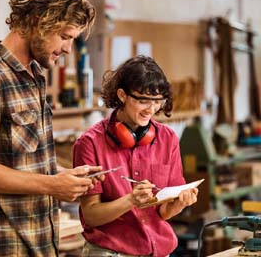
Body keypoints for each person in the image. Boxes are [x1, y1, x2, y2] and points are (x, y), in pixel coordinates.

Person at [0, 0, 104, 256]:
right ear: (36, 23)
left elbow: (21, 162)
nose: (67, 49)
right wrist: (51, 185)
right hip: (4, 243)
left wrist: (64, 176)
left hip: (40, 238)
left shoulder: (36, 76)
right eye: (64, 37)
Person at [73, 55, 199, 257]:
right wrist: (131, 200)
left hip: (158, 250)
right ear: (122, 95)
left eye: (157, 101)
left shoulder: (168, 139)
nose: (151, 109)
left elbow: (163, 213)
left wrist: (179, 204)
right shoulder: (90, 143)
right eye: (143, 100)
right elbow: (91, 215)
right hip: (110, 252)